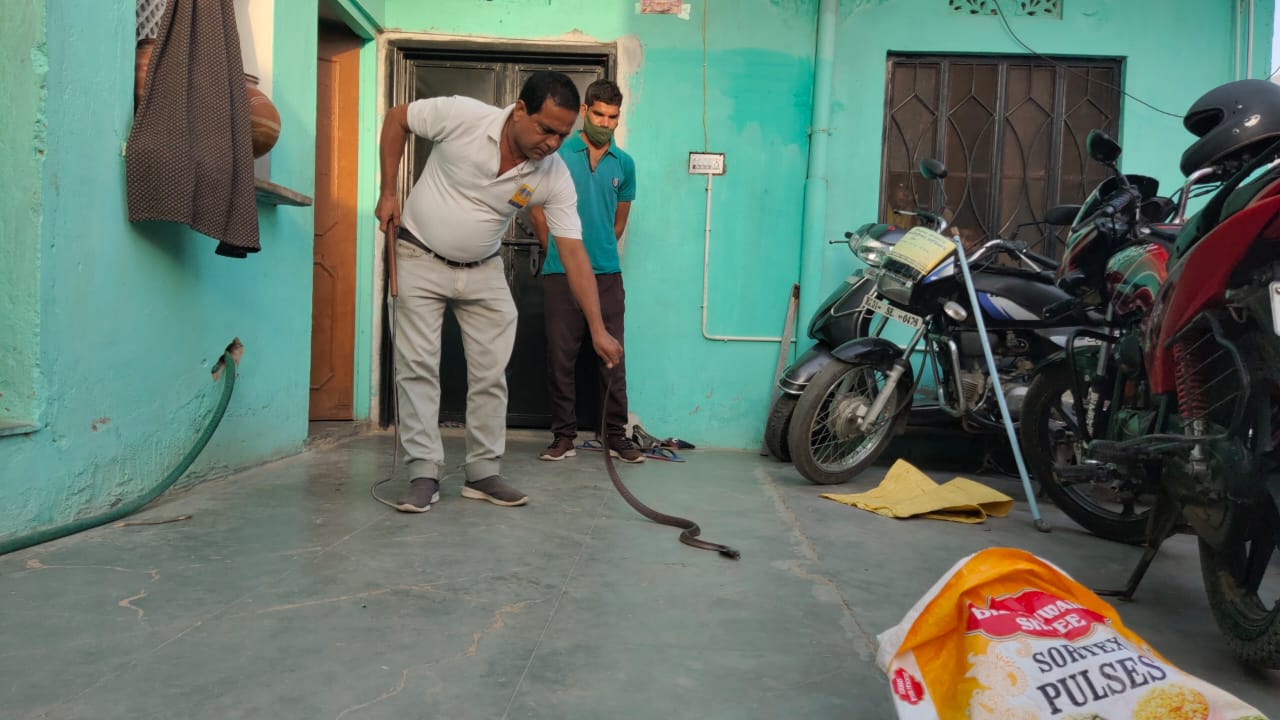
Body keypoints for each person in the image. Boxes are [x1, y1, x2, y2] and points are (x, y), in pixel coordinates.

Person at [375, 71, 623, 513]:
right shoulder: (462, 116)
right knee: (418, 370)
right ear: (520, 110)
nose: (551, 143)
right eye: (546, 129)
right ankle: (423, 473)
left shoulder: (554, 175)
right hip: (418, 257)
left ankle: (483, 472)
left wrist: (598, 328)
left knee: (491, 374)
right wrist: (388, 190)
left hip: (484, 269)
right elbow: (397, 118)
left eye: (562, 135)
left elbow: (573, 253)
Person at [528, 79, 643, 464]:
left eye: (612, 117)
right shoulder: (557, 155)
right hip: (561, 274)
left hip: (607, 275)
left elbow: (618, 221)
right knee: (561, 358)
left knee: (613, 358)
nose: (605, 123)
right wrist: (557, 249)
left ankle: (617, 436)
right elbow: (535, 208)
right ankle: (563, 437)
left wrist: (598, 251)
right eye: (598, 115)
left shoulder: (624, 165)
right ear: (585, 112)